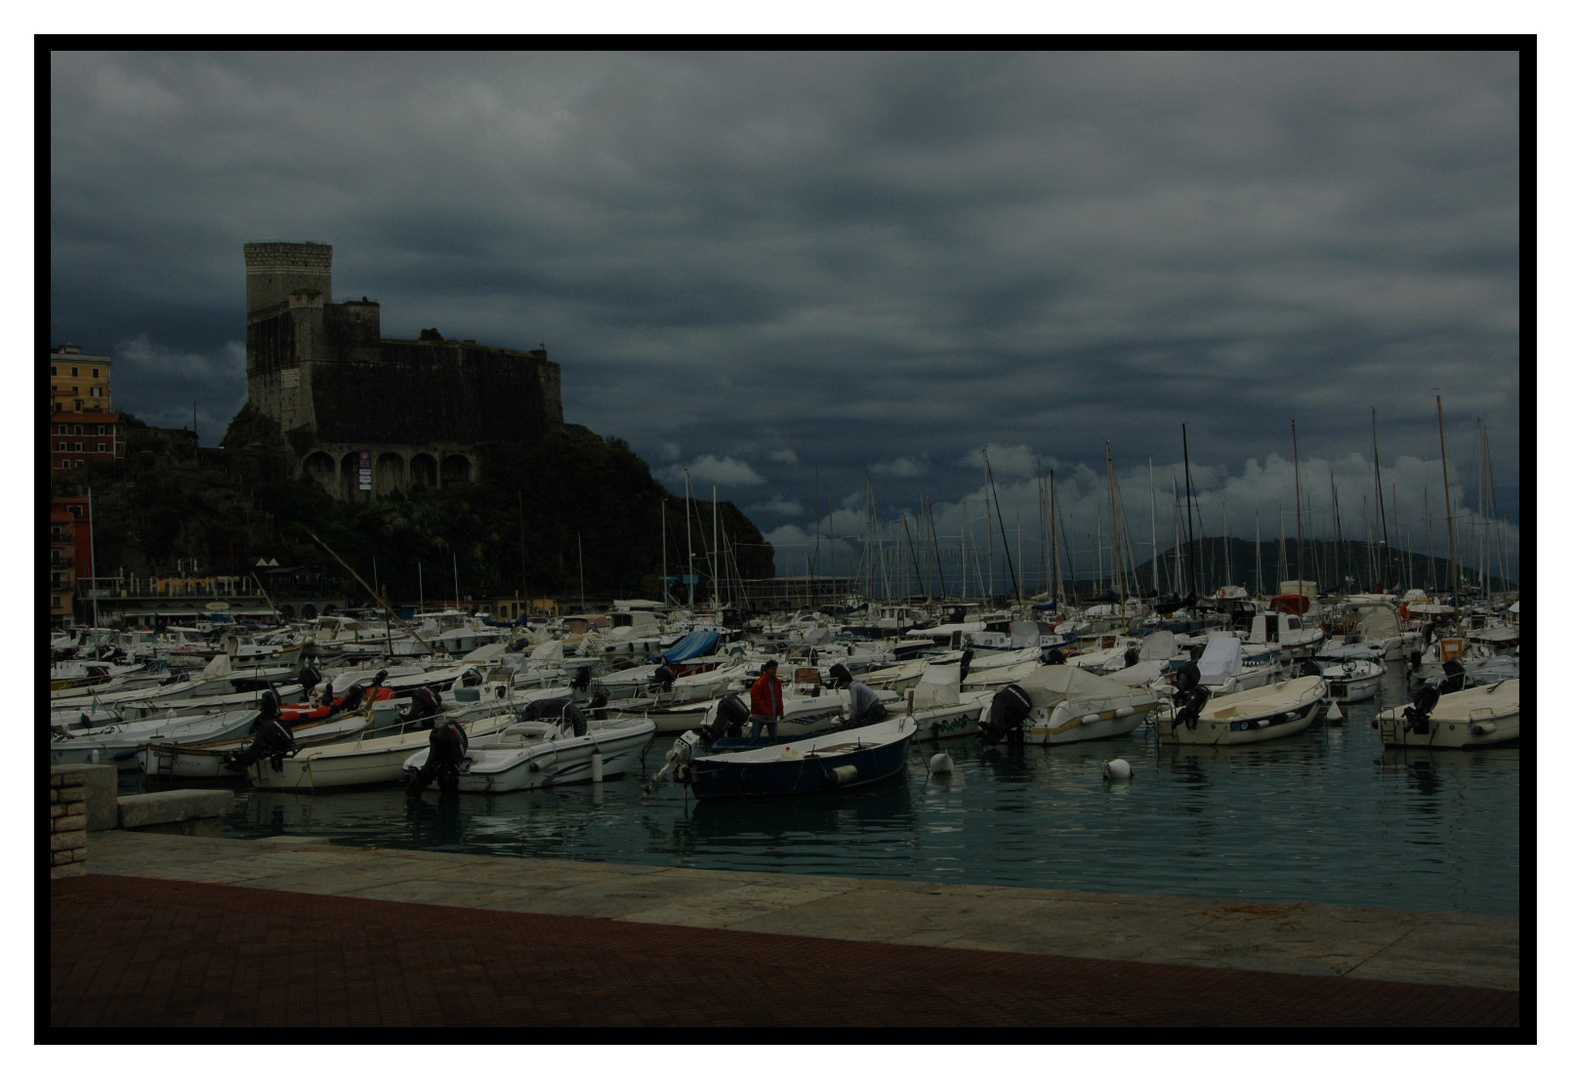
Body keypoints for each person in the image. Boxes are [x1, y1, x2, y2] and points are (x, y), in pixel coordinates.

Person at [830, 663, 886, 729]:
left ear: (845, 681)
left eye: (842, 683)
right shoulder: (858, 684)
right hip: (878, 707)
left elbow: (854, 704)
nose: (842, 685)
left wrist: (852, 718)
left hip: (875, 709)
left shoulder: (853, 687)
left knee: (865, 727)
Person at [748, 659, 784, 742]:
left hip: (772, 715)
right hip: (759, 716)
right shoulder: (760, 682)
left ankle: (772, 751)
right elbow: (755, 699)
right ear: (767, 670)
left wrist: (781, 712)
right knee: (755, 737)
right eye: (772, 668)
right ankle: (750, 751)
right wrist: (765, 710)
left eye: (775, 668)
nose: (774, 670)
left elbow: (779, 699)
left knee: (774, 738)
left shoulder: (777, 682)